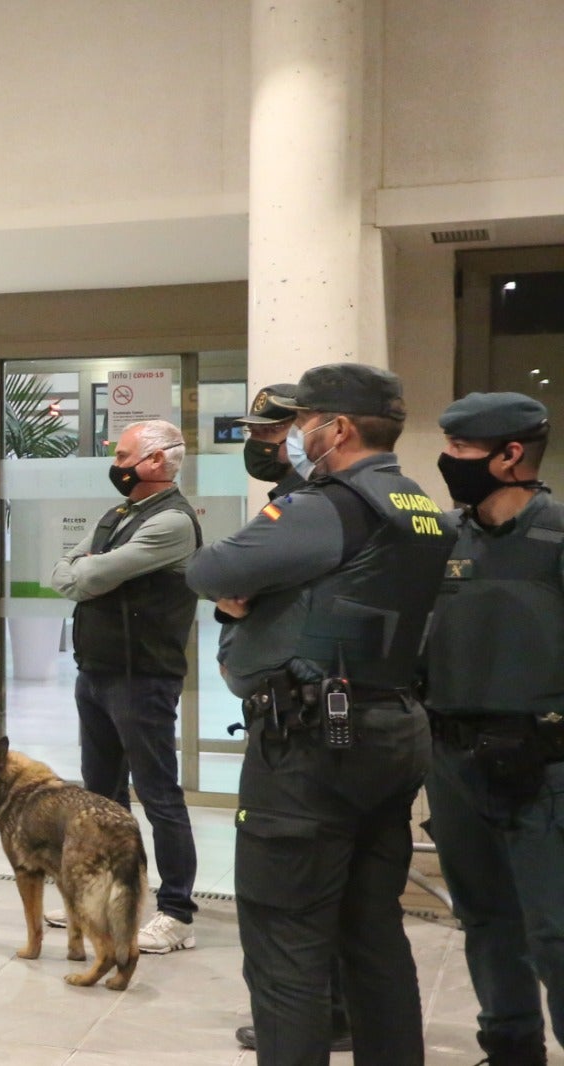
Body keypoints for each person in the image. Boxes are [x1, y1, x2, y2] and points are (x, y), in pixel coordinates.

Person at [186, 364, 455, 1065]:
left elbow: (210, 571)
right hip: (391, 729)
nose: (296, 437)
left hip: (312, 747)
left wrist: (249, 596)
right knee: (373, 936)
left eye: (303, 423)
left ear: (336, 429)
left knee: (287, 946)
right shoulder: (417, 503)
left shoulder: (326, 505)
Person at [421, 393, 562, 1066]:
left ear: (511, 456)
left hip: (546, 765)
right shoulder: (443, 539)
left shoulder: (557, 537)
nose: (448, 462)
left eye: (461, 451)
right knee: (483, 918)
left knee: (555, 931)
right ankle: (510, 1049)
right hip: (453, 759)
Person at [230, 386, 354, 1055]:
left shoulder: (318, 504)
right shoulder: (292, 496)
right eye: (257, 433)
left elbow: (222, 573)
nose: (263, 445)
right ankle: (328, 1010)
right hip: (297, 706)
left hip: (312, 713)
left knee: (299, 891)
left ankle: (320, 1016)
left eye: (274, 433)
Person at [49, 418, 202, 954]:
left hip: (142, 680)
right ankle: (105, 898)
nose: (116, 467)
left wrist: (88, 569)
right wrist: (86, 568)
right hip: (96, 674)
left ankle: (177, 912)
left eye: (124, 457)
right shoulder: (118, 514)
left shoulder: (174, 522)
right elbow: (65, 570)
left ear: (157, 462)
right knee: (101, 800)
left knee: (160, 797)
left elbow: (87, 577)